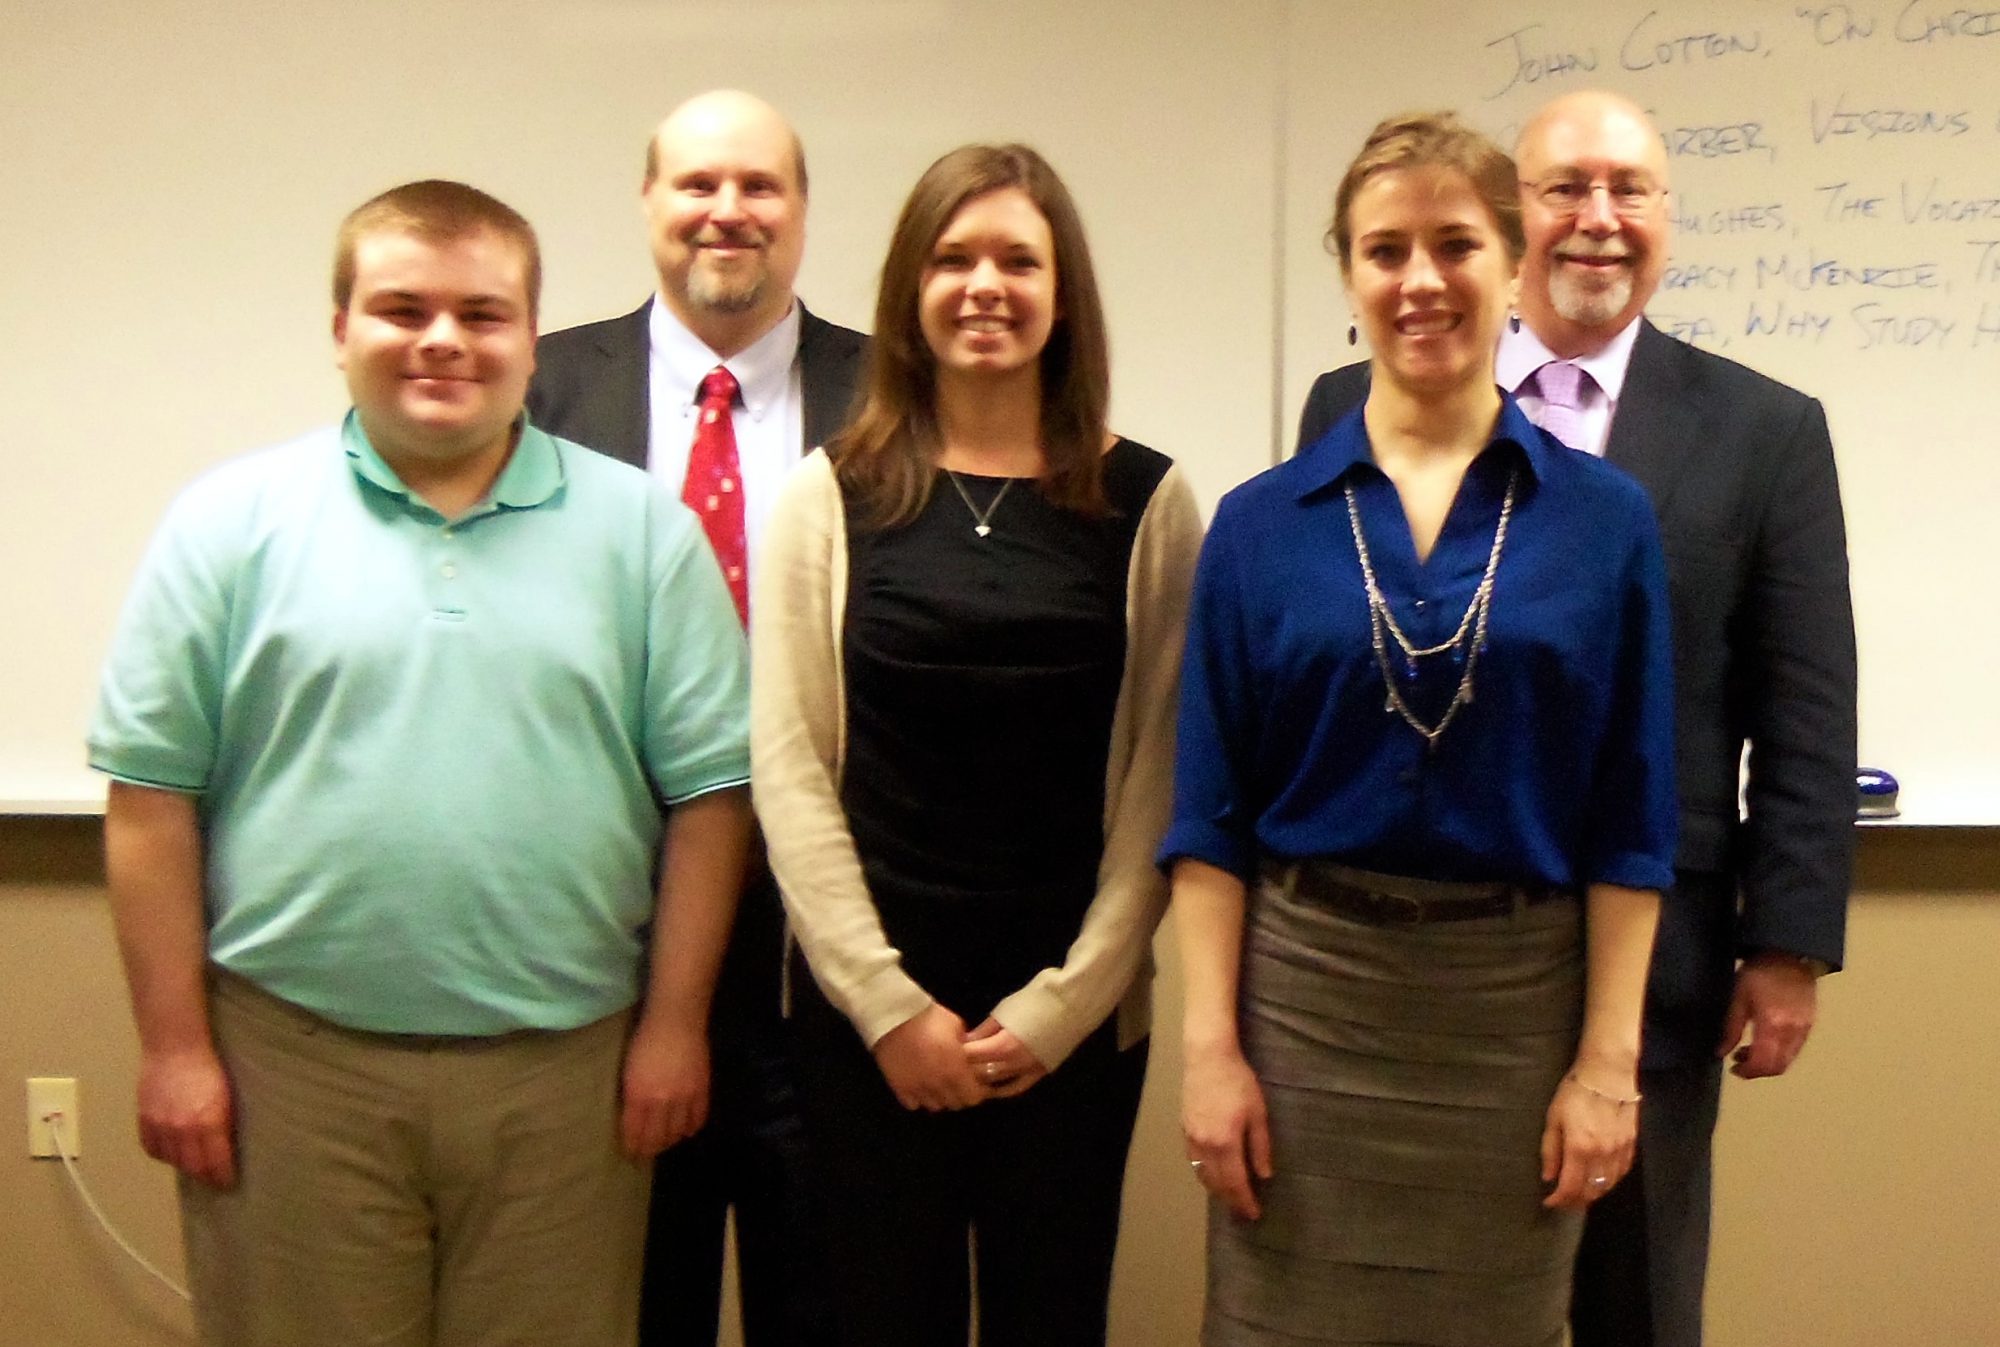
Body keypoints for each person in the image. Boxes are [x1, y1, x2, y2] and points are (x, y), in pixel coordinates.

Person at [89, 180, 753, 1347]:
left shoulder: (642, 530)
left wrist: (672, 1027)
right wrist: (175, 1048)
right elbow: (150, 803)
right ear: (340, 330)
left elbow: (709, 800)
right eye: (401, 308)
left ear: (528, 339)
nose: (442, 340)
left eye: (482, 314)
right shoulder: (227, 522)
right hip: (291, 1070)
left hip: (567, 1079)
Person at [1296, 90, 1857, 1347]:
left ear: (1666, 218)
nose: (1598, 221)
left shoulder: (1766, 433)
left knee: (1631, 1297)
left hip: (1658, 954)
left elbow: (1805, 707)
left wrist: (1788, 944)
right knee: (1420, 1294)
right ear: (1507, 221)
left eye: (1630, 191)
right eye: (1563, 190)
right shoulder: (1347, 403)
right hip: (1409, 955)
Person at [1166, 112, 1677, 1347]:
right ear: (1348, 275)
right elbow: (1207, 816)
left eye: (1455, 245)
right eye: (1384, 250)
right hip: (1303, 1013)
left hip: (1512, 1018)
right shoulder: (1256, 523)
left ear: (1512, 267)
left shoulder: (1604, 523)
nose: (1420, 281)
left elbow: (1631, 818)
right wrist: (1209, 1052)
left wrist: (1605, 1068)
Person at [751, 143, 1202, 1347]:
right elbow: (788, 770)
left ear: (1063, 294)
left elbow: (1163, 781)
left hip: (1070, 1032)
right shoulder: (825, 496)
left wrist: (1060, 1012)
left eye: (1017, 259)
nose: (983, 286)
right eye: (953, 258)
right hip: (865, 1031)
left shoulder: (1149, 503)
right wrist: (887, 1007)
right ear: (910, 288)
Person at [526, 89, 866, 1347]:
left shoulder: (897, 393)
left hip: (825, 960)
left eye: (760, 185)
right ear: (648, 204)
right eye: (697, 184)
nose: (728, 211)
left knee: (822, 1302)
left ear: (801, 210)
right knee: (626, 1307)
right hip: (605, 946)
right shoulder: (542, 388)